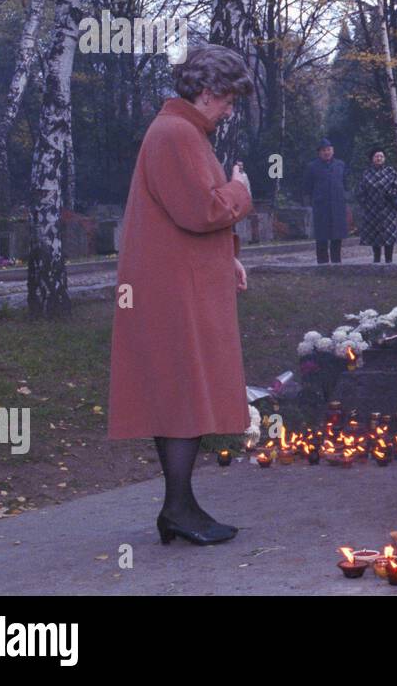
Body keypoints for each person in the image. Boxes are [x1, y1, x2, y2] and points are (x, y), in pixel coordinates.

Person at [108, 42, 255, 546]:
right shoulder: (176, 133)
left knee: (182, 389)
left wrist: (227, 255)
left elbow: (186, 209)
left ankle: (180, 506)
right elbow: (201, 209)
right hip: (173, 289)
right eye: (230, 99)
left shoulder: (180, 131)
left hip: (176, 281)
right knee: (183, 390)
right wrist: (241, 189)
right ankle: (178, 509)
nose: (231, 110)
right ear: (209, 92)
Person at [356, 147, 397, 263]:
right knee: (375, 235)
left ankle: (389, 261)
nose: (379, 158)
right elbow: (360, 191)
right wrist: (365, 204)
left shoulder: (390, 172)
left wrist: (390, 195)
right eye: (376, 156)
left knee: (389, 236)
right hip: (372, 210)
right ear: (372, 159)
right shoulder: (366, 174)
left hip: (388, 209)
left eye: (381, 156)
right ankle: (376, 260)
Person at [304, 138, 347, 264]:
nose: (326, 152)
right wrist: (311, 202)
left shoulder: (340, 165)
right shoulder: (312, 167)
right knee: (322, 237)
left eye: (329, 150)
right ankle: (322, 264)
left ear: (333, 150)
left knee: (337, 236)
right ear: (319, 152)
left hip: (337, 205)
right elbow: (307, 187)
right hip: (321, 207)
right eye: (323, 150)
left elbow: (345, 183)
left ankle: (337, 263)